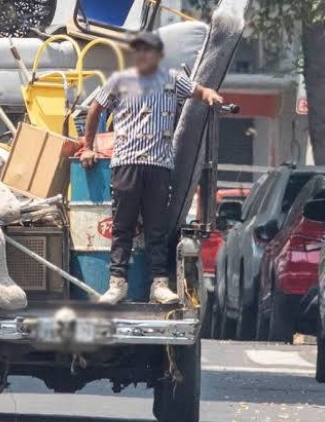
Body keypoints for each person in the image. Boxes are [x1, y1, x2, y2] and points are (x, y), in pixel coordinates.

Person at [80, 31, 223, 305]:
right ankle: (117, 284)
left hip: (159, 166)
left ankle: (159, 284)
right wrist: (89, 147)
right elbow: (95, 109)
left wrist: (209, 94)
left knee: (157, 229)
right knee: (122, 226)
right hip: (126, 164)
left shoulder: (172, 78)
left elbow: (198, 90)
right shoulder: (119, 80)